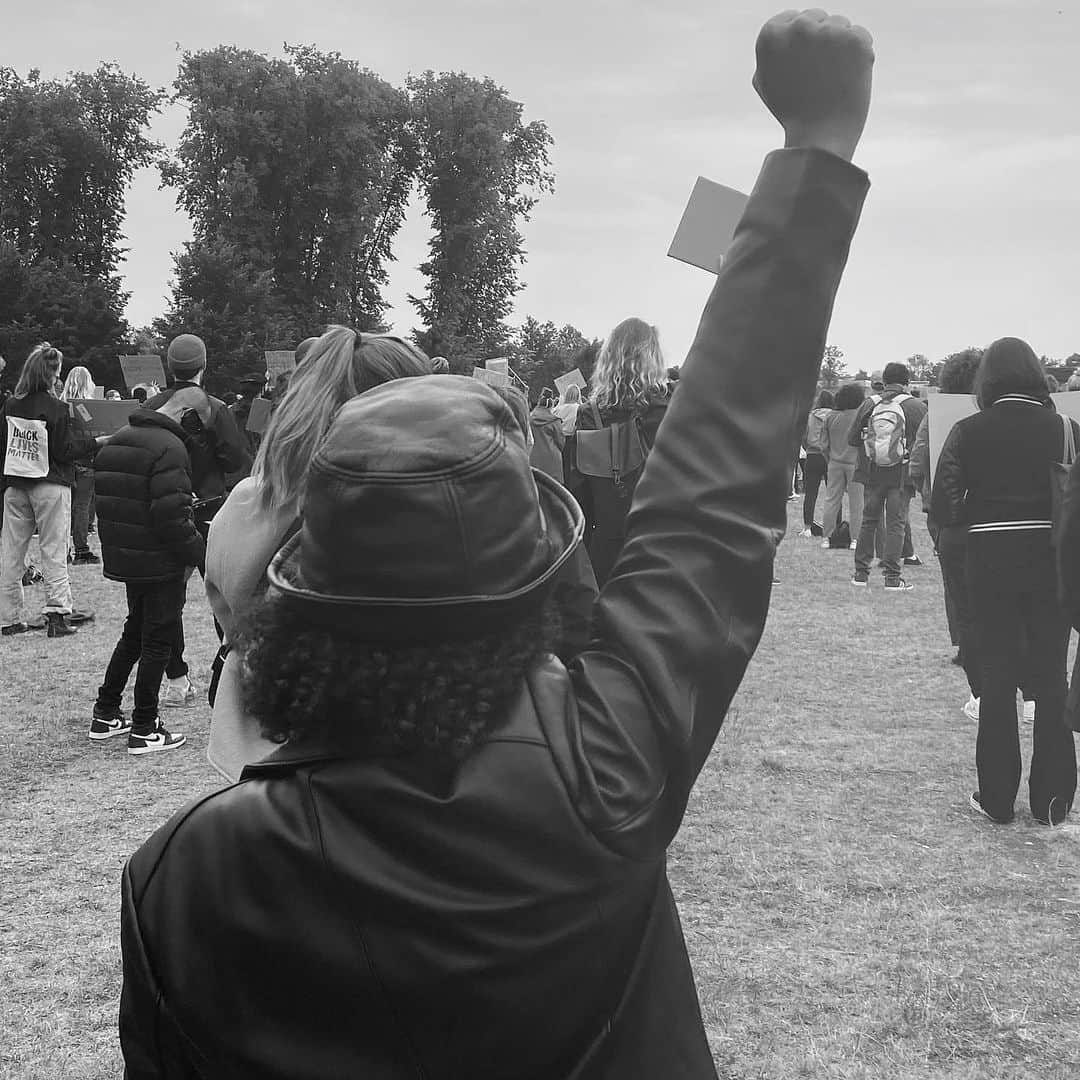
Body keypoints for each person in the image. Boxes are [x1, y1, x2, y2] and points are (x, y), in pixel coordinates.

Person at [119, 11, 873, 1076]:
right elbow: (710, 497)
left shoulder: (179, 878)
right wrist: (817, 151)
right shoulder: (601, 772)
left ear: (300, 593)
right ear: (536, 589)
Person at [203, 328, 432, 780]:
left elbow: (228, 616)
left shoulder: (248, 500)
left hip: (258, 749)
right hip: (382, 765)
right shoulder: (421, 517)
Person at [933, 338, 1077, 825]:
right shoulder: (1066, 429)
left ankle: (996, 799)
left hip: (988, 562)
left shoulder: (967, 431)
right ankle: (1054, 802)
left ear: (987, 382)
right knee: (1050, 679)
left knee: (996, 682)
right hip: (1051, 564)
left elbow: (945, 507)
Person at [89, 387, 211, 753]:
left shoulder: (120, 439)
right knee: (158, 639)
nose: (197, 433)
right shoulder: (170, 448)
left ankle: (106, 711)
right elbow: (171, 516)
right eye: (198, 424)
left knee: (135, 631)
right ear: (187, 413)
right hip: (160, 559)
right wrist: (202, 555)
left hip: (128, 556)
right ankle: (145, 726)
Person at [1, 344, 101, 637]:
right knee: (54, 550)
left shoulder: (11, 405)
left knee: (11, 553)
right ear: (53, 373)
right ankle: (57, 614)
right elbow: (64, 450)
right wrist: (97, 442)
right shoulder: (57, 408)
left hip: (16, 484)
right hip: (50, 483)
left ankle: (9, 619)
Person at [571, 318, 671, 586]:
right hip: (660, 553)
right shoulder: (667, 411)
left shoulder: (587, 416)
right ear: (653, 358)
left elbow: (578, 498)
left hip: (605, 553)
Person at [146, 334, 251, 533]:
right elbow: (233, 462)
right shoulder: (217, 408)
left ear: (170, 366)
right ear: (204, 365)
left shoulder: (151, 406)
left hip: (160, 506)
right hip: (207, 508)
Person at [849, 360, 926, 589]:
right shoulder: (916, 407)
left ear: (884, 380)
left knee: (869, 521)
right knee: (896, 523)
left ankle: (861, 574)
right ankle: (892, 577)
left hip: (872, 472)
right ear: (906, 382)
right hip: (902, 474)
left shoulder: (870, 403)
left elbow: (853, 439)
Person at [60, 365, 100, 565]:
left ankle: (63, 550)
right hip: (86, 460)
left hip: (65, 461)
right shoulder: (90, 409)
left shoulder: (60, 404)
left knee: (64, 508)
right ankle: (81, 549)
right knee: (82, 508)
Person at [819, 381, 865, 546]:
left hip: (834, 462)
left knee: (831, 500)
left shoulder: (830, 416)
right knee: (857, 503)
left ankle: (826, 537)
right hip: (856, 464)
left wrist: (829, 459)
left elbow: (823, 445)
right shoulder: (860, 416)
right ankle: (855, 539)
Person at [799, 389, 833, 536]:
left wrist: (809, 448)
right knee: (833, 494)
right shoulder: (834, 416)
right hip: (830, 456)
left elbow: (804, 436)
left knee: (810, 493)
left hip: (812, 455)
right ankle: (834, 526)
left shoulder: (810, 417)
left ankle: (807, 527)